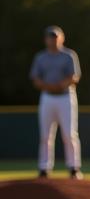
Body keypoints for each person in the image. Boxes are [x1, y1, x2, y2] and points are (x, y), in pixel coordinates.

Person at [29, 26, 82, 179]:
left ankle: (74, 167)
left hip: (66, 97)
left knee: (69, 134)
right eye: (50, 37)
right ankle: (44, 167)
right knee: (45, 135)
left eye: (55, 37)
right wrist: (49, 86)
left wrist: (59, 85)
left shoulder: (68, 55)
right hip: (47, 97)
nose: (53, 40)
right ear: (46, 40)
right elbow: (35, 78)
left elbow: (74, 77)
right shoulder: (41, 57)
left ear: (62, 38)